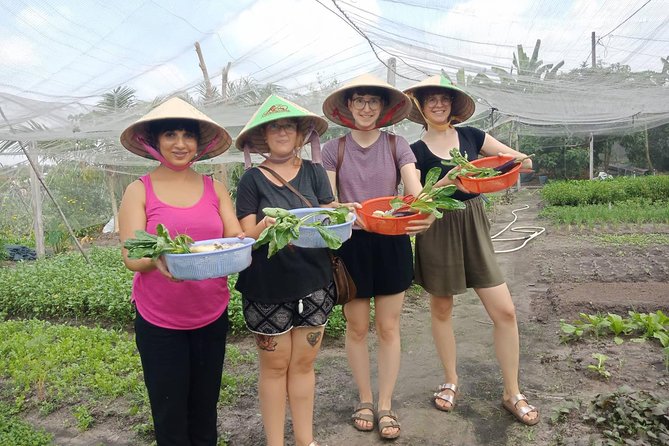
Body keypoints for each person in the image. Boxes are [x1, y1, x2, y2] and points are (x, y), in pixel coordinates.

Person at [403, 74, 540, 425]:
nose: (437, 103)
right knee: (443, 307)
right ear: (420, 106)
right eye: (430, 98)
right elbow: (418, 198)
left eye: (443, 98)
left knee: (504, 311)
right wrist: (449, 180)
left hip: (474, 221)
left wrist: (504, 162)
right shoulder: (413, 151)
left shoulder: (472, 137)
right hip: (438, 224)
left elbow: (520, 162)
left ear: (452, 104)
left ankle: (513, 392)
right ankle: (450, 380)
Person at [118, 97, 244, 445]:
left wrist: (261, 229)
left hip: (210, 313)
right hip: (160, 322)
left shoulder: (214, 188)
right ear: (155, 142)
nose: (180, 143)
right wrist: (158, 260)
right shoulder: (138, 191)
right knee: (170, 414)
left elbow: (234, 236)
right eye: (170, 134)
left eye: (188, 135)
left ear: (198, 144)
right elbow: (132, 255)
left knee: (205, 409)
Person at [321, 74, 432, 440]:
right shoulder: (332, 150)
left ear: (383, 109)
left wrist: (425, 209)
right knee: (356, 328)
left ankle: (385, 404)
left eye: (373, 101)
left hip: (391, 240)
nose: (366, 107)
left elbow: (412, 188)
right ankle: (364, 399)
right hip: (351, 244)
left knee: (388, 327)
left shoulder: (398, 145)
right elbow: (329, 202)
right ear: (348, 107)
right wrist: (341, 208)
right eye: (359, 101)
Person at [234, 94, 334, 446]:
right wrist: (271, 221)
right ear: (262, 137)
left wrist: (342, 213)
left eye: (287, 126)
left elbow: (330, 217)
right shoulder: (251, 180)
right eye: (273, 126)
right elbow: (246, 235)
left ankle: (306, 441)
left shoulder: (315, 172)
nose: (281, 132)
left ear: (299, 134)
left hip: (314, 282)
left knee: (304, 365)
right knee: (275, 368)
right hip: (266, 286)